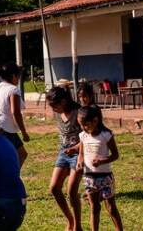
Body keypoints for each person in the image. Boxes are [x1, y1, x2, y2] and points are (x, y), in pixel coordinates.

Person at [76, 106, 123, 231]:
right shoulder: (83, 136)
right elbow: (81, 153)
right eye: (81, 125)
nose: (83, 128)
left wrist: (102, 160)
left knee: (111, 207)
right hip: (89, 177)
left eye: (85, 124)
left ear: (95, 121)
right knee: (94, 207)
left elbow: (115, 155)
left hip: (105, 177)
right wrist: (79, 163)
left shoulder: (106, 135)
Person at [47, 86, 84, 231]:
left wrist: (78, 152)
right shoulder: (58, 113)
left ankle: (78, 226)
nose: (53, 109)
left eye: (54, 106)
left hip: (79, 153)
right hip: (63, 152)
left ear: (63, 101)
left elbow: (88, 136)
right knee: (54, 188)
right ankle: (71, 220)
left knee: (71, 191)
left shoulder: (78, 113)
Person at [0, 62, 29, 166]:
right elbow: (15, 112)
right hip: (7, 130)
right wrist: (24, 132)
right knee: (18, 155)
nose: (19, 79)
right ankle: (10, 176)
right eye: (18, 76)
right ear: (13, 76)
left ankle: (11, 176)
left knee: (21, 154)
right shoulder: (13, 90)